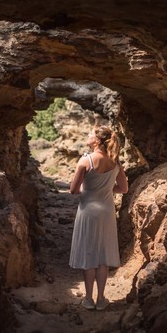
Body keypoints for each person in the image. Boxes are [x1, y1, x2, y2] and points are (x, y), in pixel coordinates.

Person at [69, 125, 128, 311]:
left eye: (91, 134)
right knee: (103, 255)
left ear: (97, 140)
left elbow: (73, 190)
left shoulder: (86, 160)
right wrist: (106, 190)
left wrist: (89, 192)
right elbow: (124, 188)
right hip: (107, 211)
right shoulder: (115, 162)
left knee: (89, 253)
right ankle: (102, 298)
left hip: (88, 210)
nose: (88, 135)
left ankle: (88, 299)